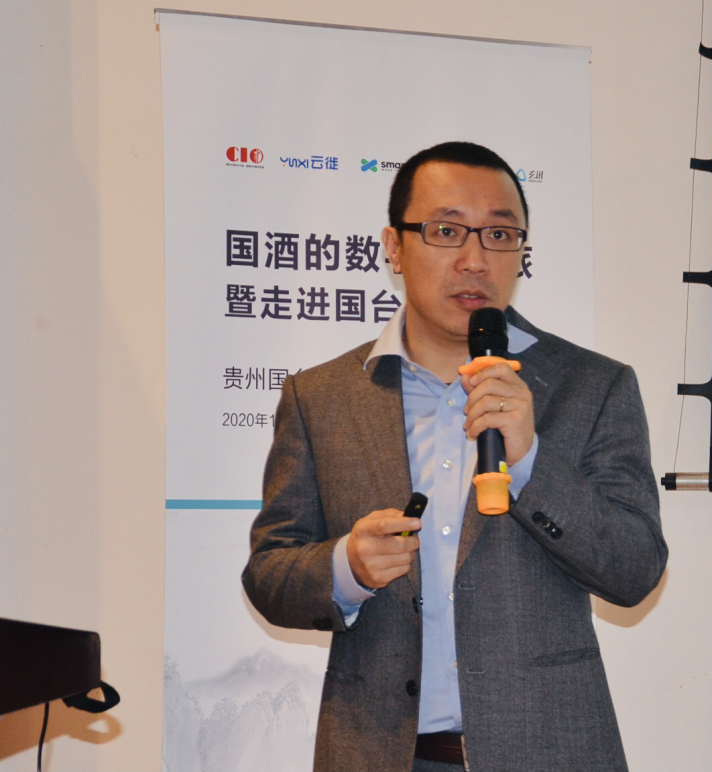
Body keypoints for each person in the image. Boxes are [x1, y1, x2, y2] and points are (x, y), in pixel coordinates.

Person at [242, 141, 666, 772]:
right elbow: (269, 572)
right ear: (394, 246)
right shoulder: (322, 397)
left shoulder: (593, 386)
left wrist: (531, 463)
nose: (475, 260)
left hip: (548, 754)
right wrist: (345, 566)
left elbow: (635, 571)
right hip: (378, 754)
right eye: (446, 231)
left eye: (499, 234)